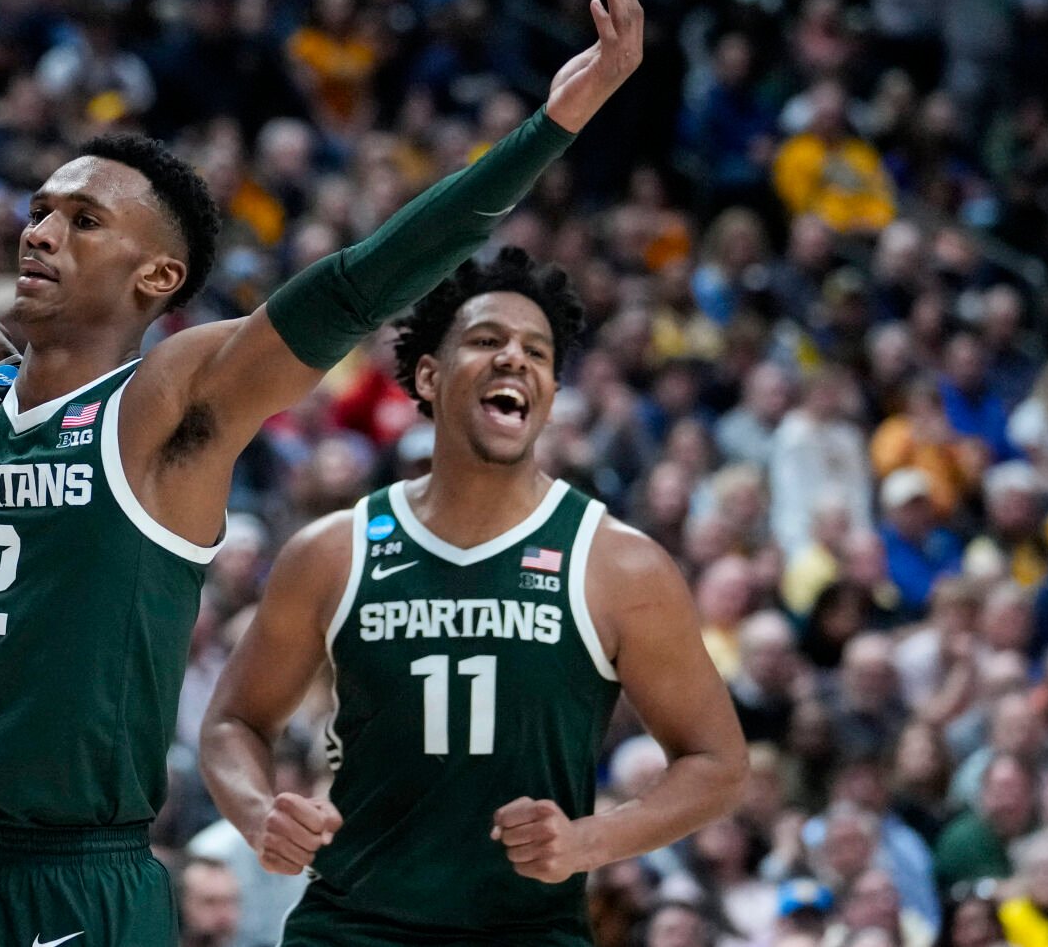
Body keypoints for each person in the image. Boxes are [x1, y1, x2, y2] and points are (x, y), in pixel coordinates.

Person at [0, 0, 644, 946]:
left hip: (71, 878)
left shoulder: (165, 408)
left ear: (156, 278)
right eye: (38, 209)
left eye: (82, 220)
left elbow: (358, 281)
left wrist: (549, 126)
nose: (40, 230)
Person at [199, 249, 747, 944]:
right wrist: (257, 812)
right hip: (350, 925)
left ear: (549, 390)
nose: (514, 358)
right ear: (428, 375)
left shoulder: (618, 562)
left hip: (525, 930)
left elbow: (717, 763)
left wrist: (588, 841)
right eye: (487, 340)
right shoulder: (333, 550)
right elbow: (232, 722)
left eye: (536, 352)